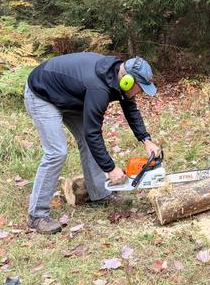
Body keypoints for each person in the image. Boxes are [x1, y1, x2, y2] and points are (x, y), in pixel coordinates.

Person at [24, 53, 160, 234]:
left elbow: (131, 109)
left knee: (88, 143)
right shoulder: (98, 87)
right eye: (140, 88)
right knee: (57, 152)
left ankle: (99, 194)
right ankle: (37, 215)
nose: (140, 92)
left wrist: (146, 139)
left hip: (69, 96)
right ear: (127, 80)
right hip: (42, 94)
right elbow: (92, 132)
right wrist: (110, 169)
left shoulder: (117, 80)